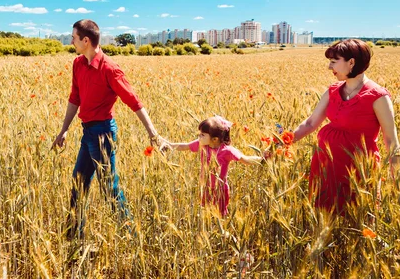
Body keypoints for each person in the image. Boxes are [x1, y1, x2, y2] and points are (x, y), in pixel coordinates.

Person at [52, 19, 163, 240]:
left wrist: (153, 134)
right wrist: (63, 129)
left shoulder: (110, 69)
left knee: (109, 189)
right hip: (87, 133)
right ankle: (73, 236)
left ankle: (130, 237)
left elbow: (134, 102)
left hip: (103, 134)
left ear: (86, 40)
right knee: (78, 183)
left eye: (74, 37)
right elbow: (75, 98)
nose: (71, 40)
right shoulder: (78, 64)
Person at [291, 39, 400, 213]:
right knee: (323, 215)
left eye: (334, 62)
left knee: (357, 216)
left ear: (351, 62)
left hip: (357, 170)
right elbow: (311, 123)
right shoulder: (333, 91)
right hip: (325, 166)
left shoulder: (377, 96)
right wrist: (283, 142)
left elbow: (391, 140)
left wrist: (397, 181)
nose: (330, 67)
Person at [160, 116, 263, 217]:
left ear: (214, 139)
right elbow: (185, 146)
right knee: (206, 214)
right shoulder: (203, 145)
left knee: (220, 215)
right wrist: (169, 145)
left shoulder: (227, 150)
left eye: (202, 135)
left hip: (220, 190)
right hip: (204, 187)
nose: (199, 137)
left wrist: (262, 159)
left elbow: (245, 159)